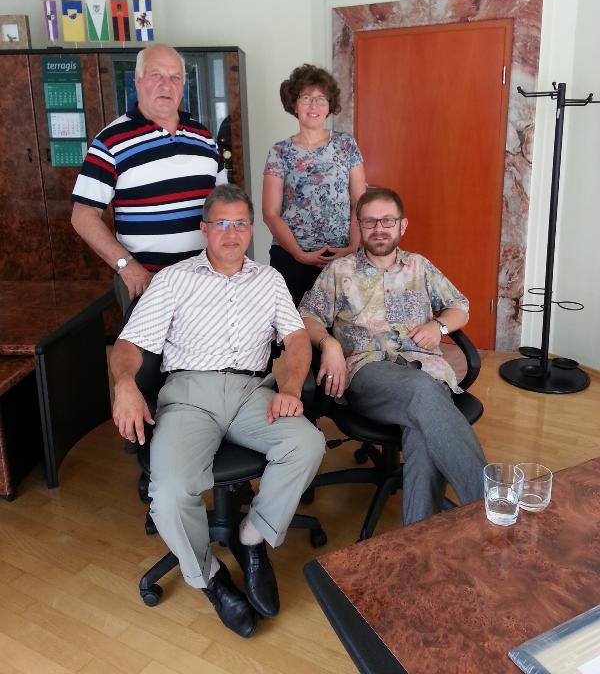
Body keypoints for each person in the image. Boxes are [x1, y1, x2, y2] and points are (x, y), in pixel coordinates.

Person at [110, 183, 326, 638]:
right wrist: (125, 383)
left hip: (252, 391)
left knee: (307, 443)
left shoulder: (269, 280)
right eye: (221, 223)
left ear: (251, 229)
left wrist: (290, 386)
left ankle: (252, 536)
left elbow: (296, 339)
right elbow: (129, 345)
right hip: (189, 394)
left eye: (240, 223)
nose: (231, 233)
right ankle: (209, 575)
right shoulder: (174, 279)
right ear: (204, 229)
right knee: (170, 492)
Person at [299, 186, 486, 525]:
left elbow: (460, 306)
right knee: (422, 390)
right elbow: (307, 315)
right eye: (370, 222)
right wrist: (329, 344)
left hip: (424, 366)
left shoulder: (420, 266)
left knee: (423, 432)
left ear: (402, 225)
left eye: (387, 220)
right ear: (359, 226)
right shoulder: (339, 271)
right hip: (368, 372)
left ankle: (420, 539)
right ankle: (491, 506)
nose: (379, 229)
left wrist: (439, 326)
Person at [71, 43, 227, 312]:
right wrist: (126, 265)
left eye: (175, 77)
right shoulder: (110, 142)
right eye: (156, 75)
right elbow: (82, 216)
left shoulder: (204, 138)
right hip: (146, 281)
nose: (167, 85)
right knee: (145, 344)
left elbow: (224, 205)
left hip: (206, 281)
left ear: (183, 84)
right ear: (138, 80)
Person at [262, 63, 367, 306]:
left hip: (341, 257)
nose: (314, 106)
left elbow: (360, 202)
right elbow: (270, 213)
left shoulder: (346, 145)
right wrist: (300, 254)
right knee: (293, 324)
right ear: (294, 104)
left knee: (343, 324)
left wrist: (352, 247)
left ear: (330, 106)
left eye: (321, 99)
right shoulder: (279, 152)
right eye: (306, 98)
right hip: (291, 258)